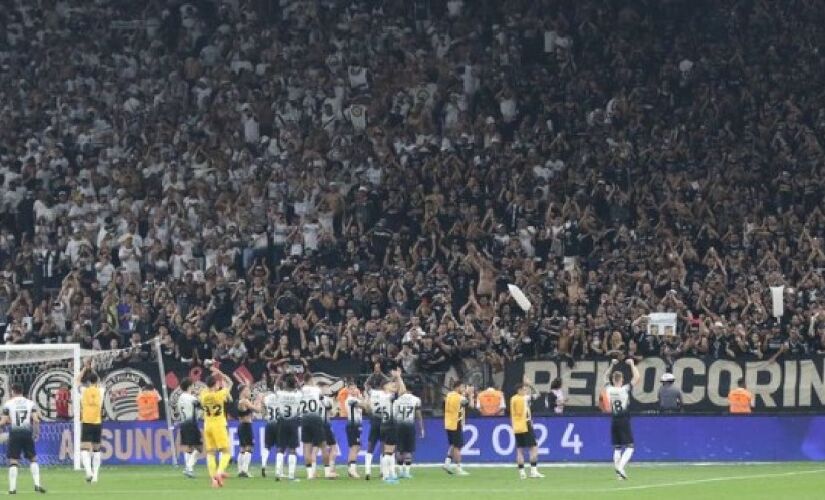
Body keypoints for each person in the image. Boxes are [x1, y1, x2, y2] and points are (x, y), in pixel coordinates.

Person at [1, 383, 46, 494]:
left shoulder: (8, 404)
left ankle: (12, 489)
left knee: (13, 461)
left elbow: (4, 421)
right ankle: (37, 485)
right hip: (27, 433)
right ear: (22, 391)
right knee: (33, 459)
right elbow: (36, 420)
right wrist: (36, 432)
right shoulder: (30, 403)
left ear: (12, 391)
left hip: (15, 434)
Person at [602, 358, 641, 480]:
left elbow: (604, 376)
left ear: (613, 380)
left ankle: (619, 475)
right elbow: (637, 377)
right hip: (623, 418)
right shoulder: (624, 389)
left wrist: (611, 365)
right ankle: (620, 467)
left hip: (614, 419)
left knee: (617, 447)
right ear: (621, 380)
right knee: (630, 446)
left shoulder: (609, 389)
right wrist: (632, 364)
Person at [367, 370, 406, 484]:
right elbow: (402, 391)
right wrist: (399, 377)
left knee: (389, 452)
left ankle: (390, 474)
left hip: (384, 423)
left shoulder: (377, 395)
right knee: (388, 452)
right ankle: (386, 475)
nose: (392, 386)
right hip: (390, 424)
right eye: (390, 384)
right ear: (385, 387)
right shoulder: (388, 396)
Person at [199, 365, 234, 488]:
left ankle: (214, 480)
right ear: (214, 385)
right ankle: (219, 473)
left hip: (207, 425)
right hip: (218, 425)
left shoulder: (203, 395)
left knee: (210, 453)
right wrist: (220, 372)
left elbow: (207, 388)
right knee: (226, 452)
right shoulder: (219, 395)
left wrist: (213, 381)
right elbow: (230, 382)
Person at [510, 377, 544, 479]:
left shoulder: (513, 399)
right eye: (524, 389)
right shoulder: (524, 398)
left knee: (519, 450)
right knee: (534, 447)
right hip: (525, 425)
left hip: (516, 426)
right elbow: (538, 394)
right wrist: (530, 385)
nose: (526, 391)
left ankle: (522, 473)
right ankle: (533, 471)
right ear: (519, 390)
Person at [76, 359, 104, 483]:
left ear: (87, 381)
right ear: (96, 381)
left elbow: (77, 381)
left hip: (87, 421)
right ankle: (96, 476)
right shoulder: (101, 391)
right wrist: (91, 369)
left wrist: (84, 368)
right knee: (97, 449)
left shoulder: (84, 391)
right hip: (97, 422)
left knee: (84, 449)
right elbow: (99, 380)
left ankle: (88, 472)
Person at [275, 376, 303, 481]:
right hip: (293, 422)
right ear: (295, 384)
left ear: (286, 384)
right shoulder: (298, 395)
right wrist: (297, 381)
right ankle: (291, 476)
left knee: (280, 448)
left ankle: (278, 473)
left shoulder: (280, 394)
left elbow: (276, 385)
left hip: (282, 421)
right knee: (292, 449)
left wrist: (281, 375)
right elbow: (301, 389)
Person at [392, 389, 423, 479]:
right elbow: (418, 414)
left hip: (399, 426)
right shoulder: (416, 399)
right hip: (410, 426)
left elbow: (394, 415)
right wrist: (421, 427)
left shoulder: (397, 400)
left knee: (399, 449)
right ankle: (407, 472)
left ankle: (400, 471)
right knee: (408, 450)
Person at [443, 380, 473, 476]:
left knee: (453, 444)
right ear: (458, 387)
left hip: (449, 423)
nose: (463, 389)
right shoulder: (459, 397)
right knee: (457, 447)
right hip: (456, 423)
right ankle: (458, 467)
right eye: (462, 387)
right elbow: (470, 405)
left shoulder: (449, 395)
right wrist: (470, 394)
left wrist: (465, 393)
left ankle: (447, 464)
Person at [300, 373, 326, 479]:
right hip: (315, 418)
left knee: (306, 446)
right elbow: (322, 398)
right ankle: (328, 471)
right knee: (323, 444)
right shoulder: (316, 389)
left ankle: (310, 474)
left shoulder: (300, 390)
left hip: (304, 419)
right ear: (311, 380)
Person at [176, 378, 202, 479]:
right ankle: (189, 468)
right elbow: (201, 405)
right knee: (199, 448)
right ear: (189, 386)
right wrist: (199, 395)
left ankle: (188, 468)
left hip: (183, 423)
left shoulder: (180, 398)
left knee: (189, 447)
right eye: (192, 385)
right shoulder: (190, 398)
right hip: (191, 423)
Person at [236, 384, 262, 478]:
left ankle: (240, 470)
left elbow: (250, 409)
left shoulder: (240, 401)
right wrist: (259, 400)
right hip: (246, 426)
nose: (249, 392)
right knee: (249, 448)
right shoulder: (245, 401)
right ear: (243, 391)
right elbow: (258, 410)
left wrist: (255, 402)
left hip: (241, 425)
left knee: (242, 449)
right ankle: (245, 470)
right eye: (247, 390)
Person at [343, 382, 365, 478]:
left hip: (357, 425)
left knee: (357, 447)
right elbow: (364, 406)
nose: (353, 390)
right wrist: (363, 397)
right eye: (351, 388)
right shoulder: (350, 400)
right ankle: (352, 469)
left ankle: (350, 469)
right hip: (352, 425)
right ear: (348, 390)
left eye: (354, 388)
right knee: (354, 447)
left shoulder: (356, 399)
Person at [261, 381, 280, 478]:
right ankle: (278, 469)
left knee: (267, 446)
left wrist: (264, 414)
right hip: (278, 424)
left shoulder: (268, 398)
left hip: (269, 423)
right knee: (279, 447)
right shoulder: (282, 398)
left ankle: (264, 464)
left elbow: (262, 402)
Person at [320, 391, 339, 479]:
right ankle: (330, 470)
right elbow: (332, 413)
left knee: (315, 448)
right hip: (325, 425)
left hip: (316, 425)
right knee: (333, 447)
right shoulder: (326, 399)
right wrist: (336, 406)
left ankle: (312, 472)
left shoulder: (314, 399)